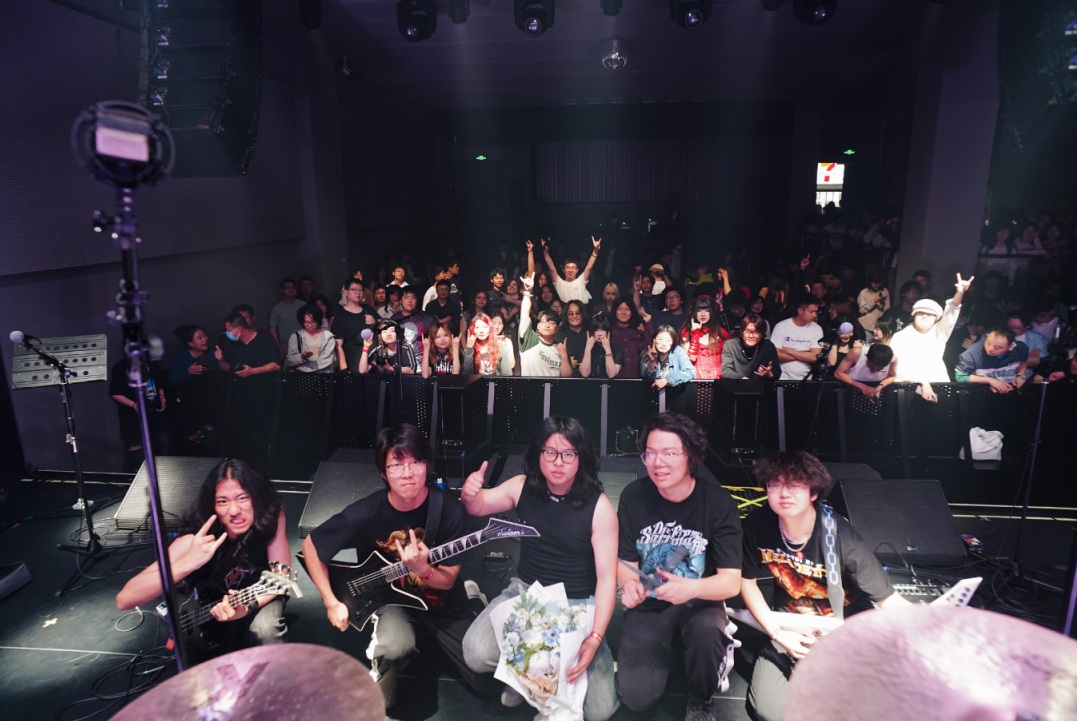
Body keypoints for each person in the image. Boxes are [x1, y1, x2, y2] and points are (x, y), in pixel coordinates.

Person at [301, 425, 491, 707]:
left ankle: (473, 598)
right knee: (393, 650)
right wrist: (331, 602)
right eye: (396, 465)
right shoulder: (368, 511)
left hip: (441, 601)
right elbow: (311, 546)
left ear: (427, 465)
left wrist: (423, 570)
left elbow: (448, 580)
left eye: (416, 462)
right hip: (392, 601)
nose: (407, 473)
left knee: (488, 684)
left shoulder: (449, 510)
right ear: (383, 472)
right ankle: (385, 657)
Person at [461, 417, 619, 721]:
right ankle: (526, 679)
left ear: (581, 458)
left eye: (568, 454)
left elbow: (607, 579)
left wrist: (596, 637)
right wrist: (470, 494)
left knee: (599, 711)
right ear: (538, 454)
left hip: (576, 605)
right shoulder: (522, 486)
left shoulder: (600, 509)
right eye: (550, 452)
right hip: (526, 592)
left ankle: (526, 677)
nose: (558, 462)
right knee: (475, 652)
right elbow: (477, 506)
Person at [740, 452, 909, 721]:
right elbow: (746, 582)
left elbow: (887, 599)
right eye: (775, 484)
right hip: (791, 626)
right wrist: (777, 633)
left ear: (813, 493)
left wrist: (929, 620)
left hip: (843, 629)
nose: (784, 492)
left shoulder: (839, 535)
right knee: (767, 710)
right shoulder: (757, 524)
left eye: (795, 485)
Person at [616, 412, 742, 721]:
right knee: (636, 698)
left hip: (699, 600)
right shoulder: (634, 496)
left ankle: (701, 698)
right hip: (651, 600)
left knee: (707, 634)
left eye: (669, 453)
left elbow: (730, 582)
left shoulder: (718, 503)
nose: (658, 462)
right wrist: (629, 585)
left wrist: (692, 589)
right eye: (650, 453)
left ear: (691, 456)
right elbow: (626, 561)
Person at [116, 459, 290, 664]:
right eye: (222, 501)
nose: (234, 511)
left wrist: (247, 607)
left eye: (242, 498)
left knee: (265, 630)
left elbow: (280, 575)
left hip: (256, 594)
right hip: (208, 612)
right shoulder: (194, 539)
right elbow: (125, 599)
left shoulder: (271, 516)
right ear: (212, 505)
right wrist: (187, 562)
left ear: (257, 497)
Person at [889, 273, 973, 402]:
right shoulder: (900, 336)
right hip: (907, 389)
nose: (925, 316)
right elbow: (897, 367)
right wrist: (922, 382)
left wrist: (960, 292)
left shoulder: (939, 332)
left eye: (930, 314)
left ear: (936, 318)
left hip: (939, 385)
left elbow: (951, 312)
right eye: (921, 312)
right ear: (914, 315)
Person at [518, 273, 572, 377]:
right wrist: (527, 292)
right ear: (538, 326)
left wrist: (564, 356)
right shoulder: (529, 340)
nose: (547, 325)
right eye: (543, 322)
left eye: (551, 322)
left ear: (557, 328)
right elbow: (524, 315)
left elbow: (566, 377)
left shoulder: (560, 348)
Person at [953, 326, 1029, 393]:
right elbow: (960, 376)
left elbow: (1023, 361)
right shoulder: (972, 353)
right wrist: (990, 380)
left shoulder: (1020, 349)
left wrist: (1020, 376)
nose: (990, 349)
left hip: (1011, 391)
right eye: (988, 343)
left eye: (997, 347)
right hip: (981, 394)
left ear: (1010, 346)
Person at [770, 296, 824, 381]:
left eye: (816, 312)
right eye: (811, 312)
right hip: (781, 377)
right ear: (800, 311)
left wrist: (789, 351)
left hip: (806, 379)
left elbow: (815, 357)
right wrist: (805, 354)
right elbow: (775, 355)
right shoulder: (781, 326)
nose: (814, 315)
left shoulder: (817, 329)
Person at [215, 312, 280, 377]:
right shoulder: (230, 342)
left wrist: (253, 371)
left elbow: (276, 365)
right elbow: (228, 368)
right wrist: (221, 359)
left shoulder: (264, 338)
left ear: (239, 329)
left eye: (229, 330)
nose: (227, 333)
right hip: (238, 382)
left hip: (264, 381)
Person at [334, 277, 378, 373]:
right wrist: (344, 370)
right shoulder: (340, 316)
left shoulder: (368, 309)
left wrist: (374, 321)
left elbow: (383, 327)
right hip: (353, 361)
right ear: (346, 292)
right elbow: (338, 346)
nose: (358, 293)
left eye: (360, 290)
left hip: (373, 360)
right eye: (354, 289)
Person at [680, 296, 730, 380]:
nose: (703, 314)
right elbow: (691, 358)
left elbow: (729, 361)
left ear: (712, 312)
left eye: (707, 311)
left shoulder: (722, 333)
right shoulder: (686, 332)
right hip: (695, 380)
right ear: (693, 312)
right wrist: (695, 335)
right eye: (699, 311)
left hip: (719, 381)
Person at [721, 313, 780, 380]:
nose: (751, 336)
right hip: (736, 384)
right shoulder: (731, 345)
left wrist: (769, 374)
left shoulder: (768, 346)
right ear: (742, 332)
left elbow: (777, 373)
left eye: (756, 332)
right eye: (747, 331)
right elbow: (725, 372)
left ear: (761, 334)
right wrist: (744, 379)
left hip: (760, 385)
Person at [542, 236, 601, 303]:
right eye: (567, 267)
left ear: (577, 270)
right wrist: (545, 252)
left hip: (580, 308)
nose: (570, 270)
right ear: (563, 270)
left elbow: (589, 267)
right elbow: (551, 268)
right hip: (564, 309)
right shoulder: (559, 283)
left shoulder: (581, 281)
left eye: (573, 268)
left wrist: (595, 251)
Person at [610, 296, 653, 380]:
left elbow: (649, 347)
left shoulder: (638, 330)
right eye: (620, 309)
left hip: (636, 379)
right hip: (614, 379)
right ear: (615, 311)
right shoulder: (609, 331)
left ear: (632, 312)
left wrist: (648, 323)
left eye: (627, 309)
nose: (623, 312)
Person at [285, 304, 337, 373]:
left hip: (324, 375)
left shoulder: (327, 336)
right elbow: (290, 361)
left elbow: (327, 360)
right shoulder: (296, 337)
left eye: (313, 322)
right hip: (301, 377)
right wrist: (302, 357)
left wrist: (303, 368)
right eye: (306, 322)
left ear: (318, 320)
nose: (310, 325)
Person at [641, 325, 696, 389]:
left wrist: (668, 380)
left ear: (672, 342)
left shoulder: (678, 352)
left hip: (674, 392)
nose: (663, 344)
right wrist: (652, 362)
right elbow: (645, 376)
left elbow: (690, 372)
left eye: (668, 340)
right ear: (654, 340)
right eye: (660, 339)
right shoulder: (648, 352)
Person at [169, 324, 219, 388]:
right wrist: (188, 372)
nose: (204, 339)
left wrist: (211, 369)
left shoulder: (213, 352)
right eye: (199, 338)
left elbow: (221, 373)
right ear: (190, 343)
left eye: (204, 335)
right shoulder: (182, 357)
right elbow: (172, 381)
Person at [579, 314, 623, 379]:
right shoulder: (584, 347)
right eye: (596, 330)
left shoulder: (617, 349)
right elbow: (585, 374)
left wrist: (607, 349)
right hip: (589, 384)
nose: (599, 334)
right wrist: (588, 349)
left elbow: (611, 374)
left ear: (608, 332)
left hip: (609, 384)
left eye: (602, 330)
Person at [269, 278, 304, 355]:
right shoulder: (276, 309)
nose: (291, 289)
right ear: (281, 290)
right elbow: (273, 329)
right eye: (287, 287)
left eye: (293, 287)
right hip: (286, 347)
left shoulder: (303, 305)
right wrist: (278, 347)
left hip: (304, 344)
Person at [856, 273, 890, 340]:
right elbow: (862, 311)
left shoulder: (885, 291)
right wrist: (874, 301)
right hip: (866, 327)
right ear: (870, 282)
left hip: (879, 326)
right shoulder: (864, 292)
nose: (877, 285)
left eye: (879, 283)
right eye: (874, 283)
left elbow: (887, 308)